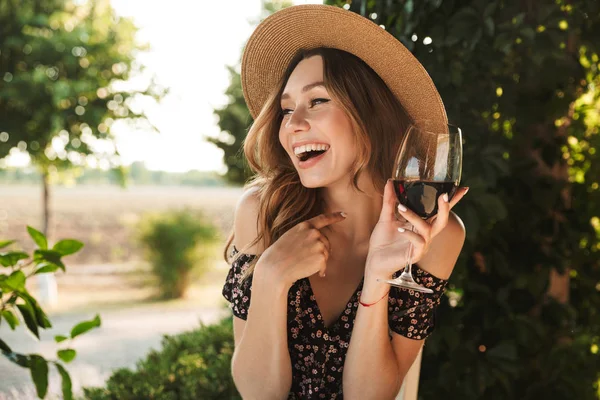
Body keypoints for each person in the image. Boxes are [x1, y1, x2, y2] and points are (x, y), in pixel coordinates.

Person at [221, 4, 468, 399]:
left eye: (317, 101)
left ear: (370, 112)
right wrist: (270, 277)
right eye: (286, 109)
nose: (293, 123)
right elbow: (257, 394)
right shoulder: (263, 211)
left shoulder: (435, 236)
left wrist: (378, 278)